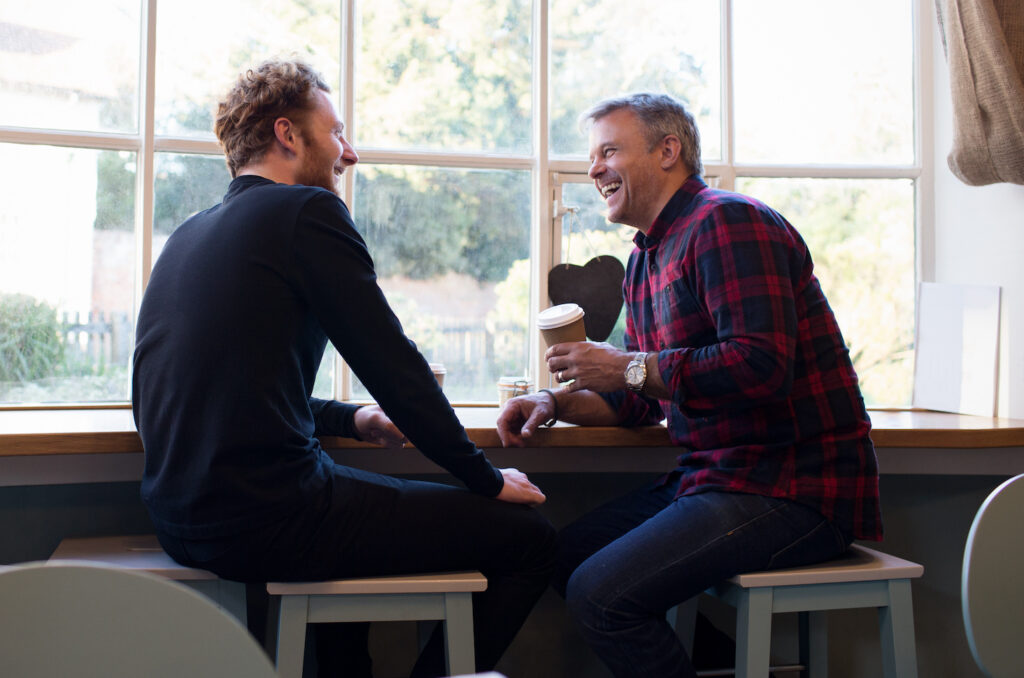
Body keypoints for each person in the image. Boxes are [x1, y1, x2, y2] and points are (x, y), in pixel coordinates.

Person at [131, 58, 556, 678]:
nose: (349, 153)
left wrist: (352, 419)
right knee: (533, 542)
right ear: (287, 134)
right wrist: (483, 476)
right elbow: (393, 363)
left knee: (351, 525)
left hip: (179, 519)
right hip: (271, 517)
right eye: (336, 133)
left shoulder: (188, 234)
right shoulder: (305, 211)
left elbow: (220, 388)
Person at [497, 93, 882, 678]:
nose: (593, 169)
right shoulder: (647, 260)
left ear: (668, 151)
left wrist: (625, 365)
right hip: (713, 479)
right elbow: (636, 396)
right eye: (591, 156)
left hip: (792, 489)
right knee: (559, 555)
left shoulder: (728, 222)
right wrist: (551, 400)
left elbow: (759, 365)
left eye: (609, 151)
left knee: (602, 596)